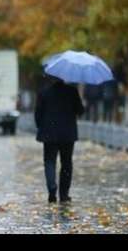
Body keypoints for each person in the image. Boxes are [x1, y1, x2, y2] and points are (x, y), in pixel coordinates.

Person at [34, 75, 85, 203]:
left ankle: (52, 188)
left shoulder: (44, 92)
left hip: (49, 133)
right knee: (66, 163)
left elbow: (38, 114)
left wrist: (42, 127)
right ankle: (64, 194)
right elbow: (80, 111)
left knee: (49, 161)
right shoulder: (72, 91)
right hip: (67, 134)